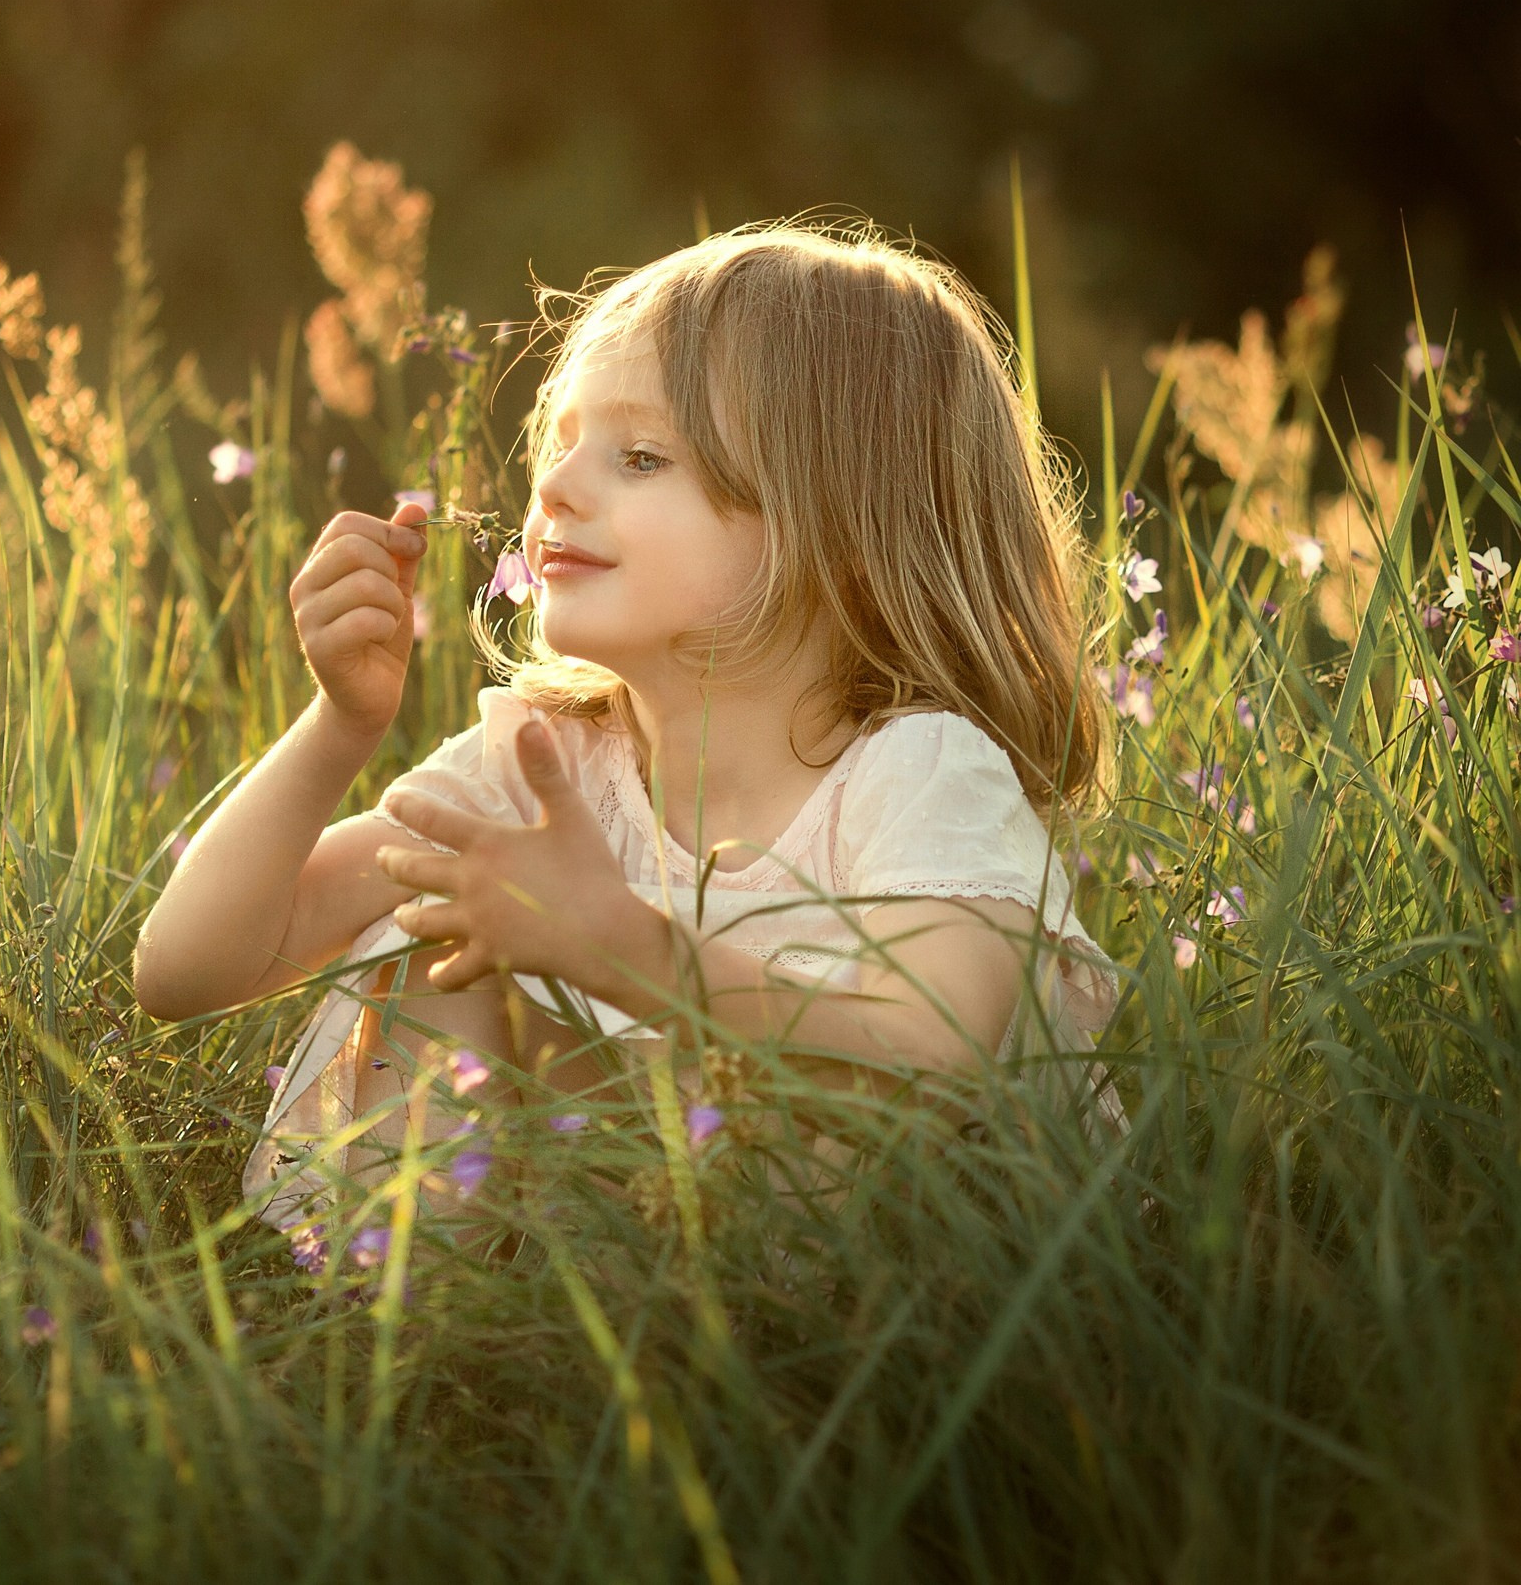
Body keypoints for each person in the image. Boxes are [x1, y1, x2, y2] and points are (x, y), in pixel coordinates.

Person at [132, 222, 1121, 1236]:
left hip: (884, 1298)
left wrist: (619, 945)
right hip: (637, 1277)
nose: (554, 487)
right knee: (442, 941)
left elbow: (933, 1053)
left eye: (640, 457)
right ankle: (396, 1343)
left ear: (849, 532)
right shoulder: (548, 761)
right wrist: (340, 727)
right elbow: (186, 974)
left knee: (503, 927)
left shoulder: (919, 771)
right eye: (562, 444)